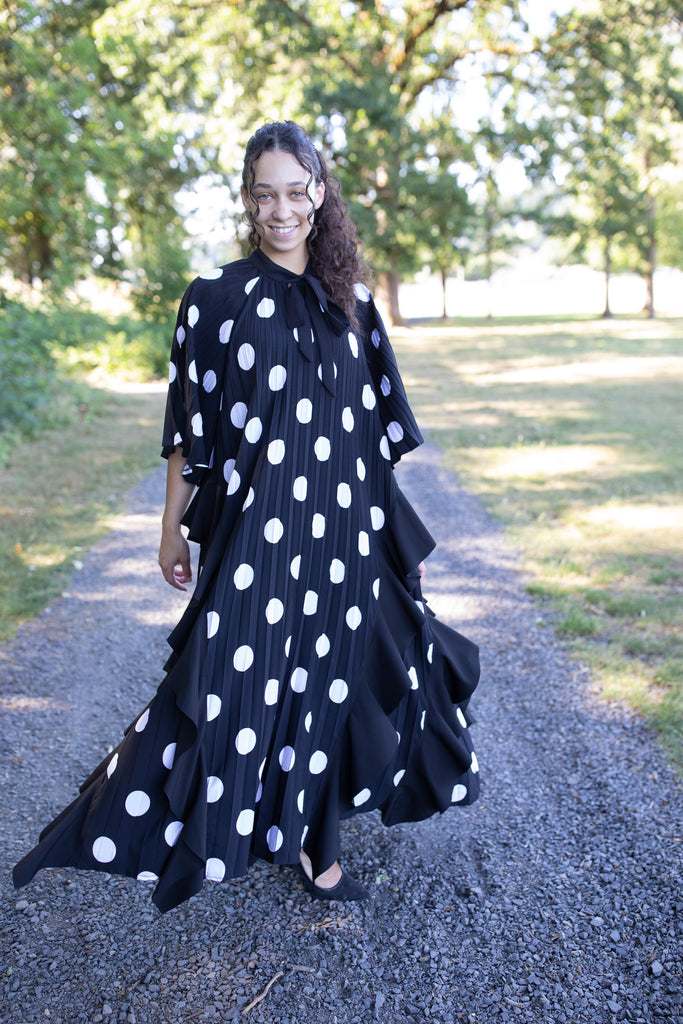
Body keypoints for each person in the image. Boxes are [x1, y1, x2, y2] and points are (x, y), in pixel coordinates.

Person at [14, 121, 480, 913]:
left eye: (295, 192)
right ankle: (176, 827)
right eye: (264, 195)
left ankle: (315, 844)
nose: (280, 210)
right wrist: (170, 527)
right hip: (256, 538)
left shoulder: (357, 304)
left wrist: (400, 543)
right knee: (229, 685)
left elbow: (370, 444)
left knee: (331, 687)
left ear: (319, 194)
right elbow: (189, 430)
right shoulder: (215, 299)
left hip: (346, 539)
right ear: (245, 199)